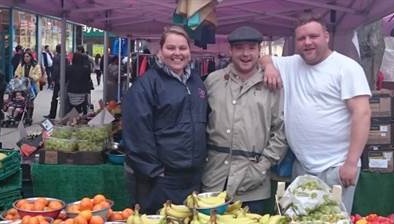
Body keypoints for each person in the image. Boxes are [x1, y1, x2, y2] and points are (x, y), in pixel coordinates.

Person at [260, 13, 372, 213]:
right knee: (301, 218)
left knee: (332, 218)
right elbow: (264, 57)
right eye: (301, 38)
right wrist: (269, 66)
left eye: (313, 36)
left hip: (336, 166)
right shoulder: (291, 64)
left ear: (326, 37)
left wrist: (351, 162)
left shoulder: (346, 68)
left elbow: (362, 114)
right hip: (302, 166)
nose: (307, 42)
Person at [201, 26, 288, 214]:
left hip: (252, 182)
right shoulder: (213, 81)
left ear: (259, 50)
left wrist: (262, 167)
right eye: (239, 47)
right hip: (214, 178)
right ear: (230, 51)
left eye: (251, 47)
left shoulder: (271, 84)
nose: (246, 53)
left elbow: (281, 131)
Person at [122, 25, 208, 214]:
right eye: (171, 48)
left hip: (192, 178)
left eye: (182, 48)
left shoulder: (197, 83)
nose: (177, 53)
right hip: (161, 180)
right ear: (160, 51)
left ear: (189, 51)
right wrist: (155, 172)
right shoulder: (146, 85)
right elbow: (136, 133)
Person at [45, 45, 61, 119]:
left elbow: (55, 69)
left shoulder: (56, 57)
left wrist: (53, 79)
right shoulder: (65, 57)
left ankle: (52, 114)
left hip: (58, 80)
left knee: (55, 98)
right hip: (64, 80)